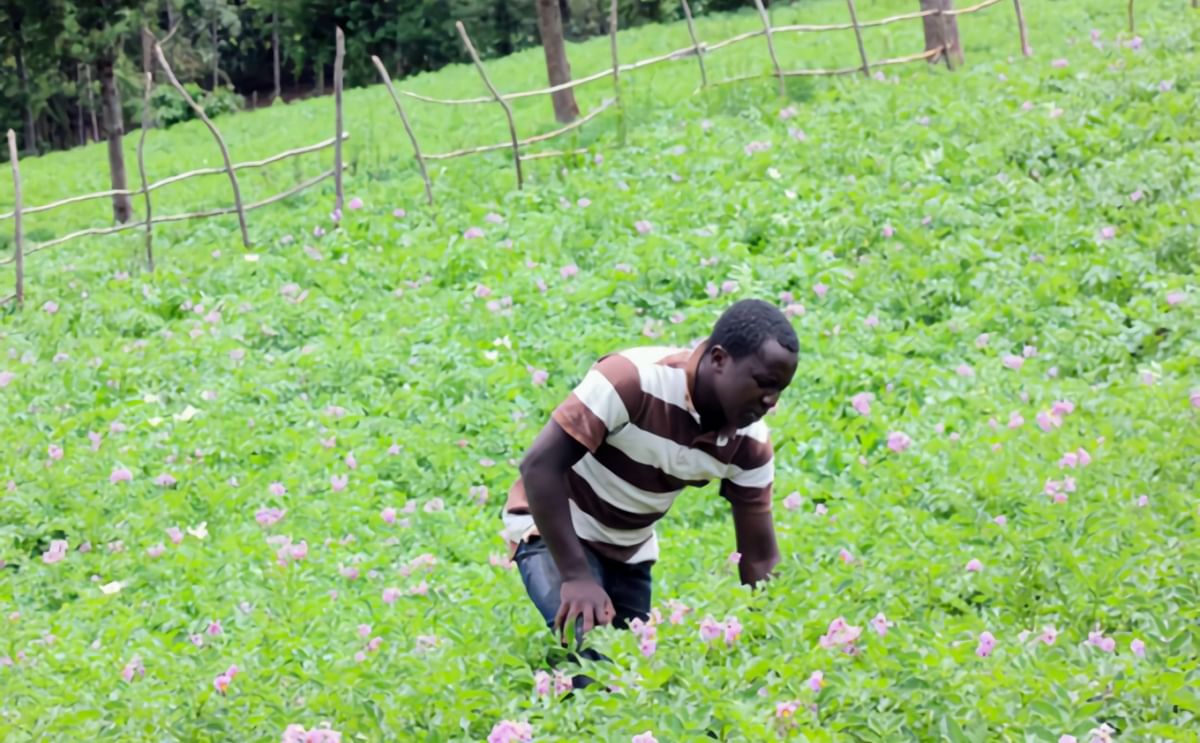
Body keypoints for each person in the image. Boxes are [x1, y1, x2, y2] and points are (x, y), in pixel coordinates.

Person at [500, 298, 799, 667]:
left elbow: (760, 556)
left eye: (780, 389)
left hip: (629, 552)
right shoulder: (632, 381)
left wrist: (769, 639)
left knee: (629, 678)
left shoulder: (749, 443)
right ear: (719, 359)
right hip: (553, 530)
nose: (770, 401)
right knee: (591, 665)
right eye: (763, 383)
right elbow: (538, 466)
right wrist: (575, 576)